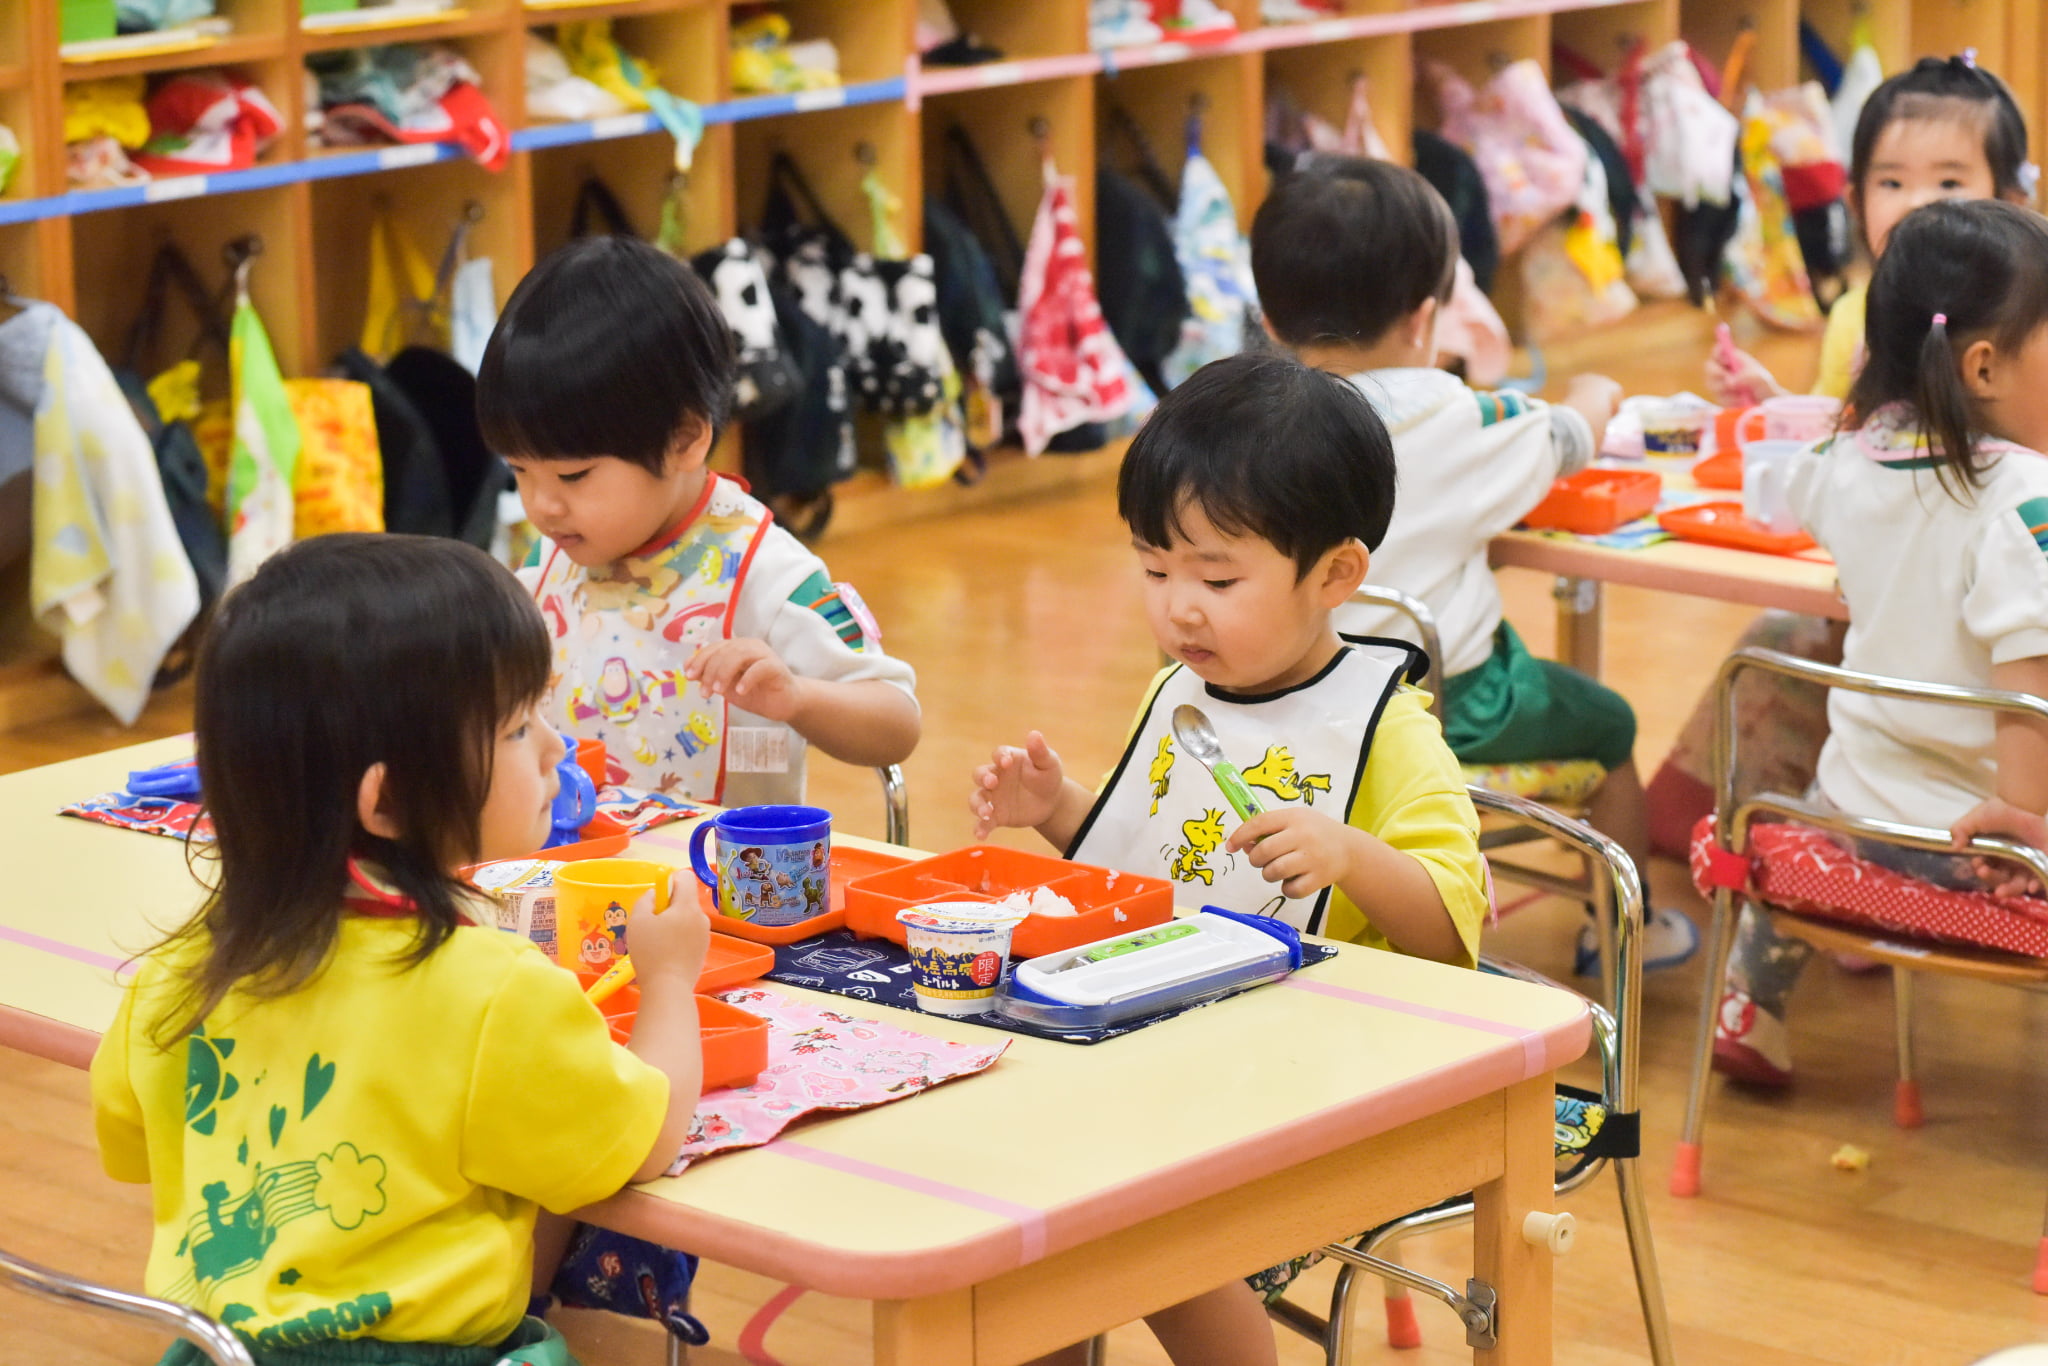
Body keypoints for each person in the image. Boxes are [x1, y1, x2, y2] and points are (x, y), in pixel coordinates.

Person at [972, 352, 1490, 1366]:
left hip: (1318, 1073)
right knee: (1025, 1178)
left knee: (1136, 1215)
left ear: (1336, 573)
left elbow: (1450, 929)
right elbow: (1151, 862)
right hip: (1176, 1050)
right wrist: (1060, 809)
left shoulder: (1382, 730)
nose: (1177, 608)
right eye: (1153, 569)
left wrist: (1347, 852)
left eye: (1215, 576)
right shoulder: (1178, 695)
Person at [89, 535, 711, 1365]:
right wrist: (670, 979)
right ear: (388, 800)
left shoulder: (177, 973)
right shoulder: (490, 990)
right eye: (520, 727)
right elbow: (643, 1139)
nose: (556, 749)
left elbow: (131, 1141)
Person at [1247, 153, 1697, 974]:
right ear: (1425, 319)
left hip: (1275, 700)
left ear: (1270, 321)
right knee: (1609, 722)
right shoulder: (1453, 416)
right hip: (1446, 710)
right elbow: (1566, 436)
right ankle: (1628, 932)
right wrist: (1596, 391)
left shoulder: (1243, 424)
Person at [1653, 54, 2035, 855]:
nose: (1917, 205)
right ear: (1855, 196)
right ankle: (1798, 842)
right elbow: (1868, 430)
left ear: (2013, 200)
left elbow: (1854, 451)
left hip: (1948, 637)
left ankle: (1810, 855)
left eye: (1950, 183)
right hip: (1920, 631)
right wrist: (1778, 405)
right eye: (1892, 182)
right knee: (1783, 643)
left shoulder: (2028, 330)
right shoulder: (1865, 319)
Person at [1716, 199, 2048, 1085]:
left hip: (1849, 806)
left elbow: (1803, 481)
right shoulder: (2024, 499)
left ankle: (1751, 1000)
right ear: (1983, 365)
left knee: (1834, 775)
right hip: (1980, 841)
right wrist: (2026, 835)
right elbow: (2027, 703)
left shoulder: (1843, 463)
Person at [476, 235, 920, 807]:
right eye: (519, 471)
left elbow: (897, 721)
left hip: (726, 888)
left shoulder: (765, 571)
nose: (542, 506)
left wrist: (800, 698)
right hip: (577, 876)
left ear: (685, 439)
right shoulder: (545, 565)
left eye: (574, 475)